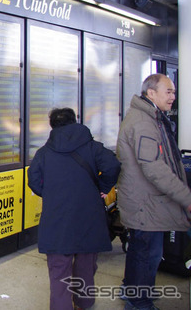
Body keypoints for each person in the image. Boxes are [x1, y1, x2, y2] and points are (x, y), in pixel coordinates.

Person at [29, 107, 120, 310]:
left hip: (57, 218)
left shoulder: (44, 153)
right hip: (89, 216)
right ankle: (84, 303)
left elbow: (33, 180)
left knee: (59, 269)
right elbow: (113, 165)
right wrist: (104, 188)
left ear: (52, 125)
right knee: (86, 263)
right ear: (74, 121)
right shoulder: (93, 147)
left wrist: (51, 194)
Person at [116, 73, 191, 310]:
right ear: (151, 93)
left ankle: (133, 289)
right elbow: (154, 168)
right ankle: (139, 302)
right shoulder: (143, 122)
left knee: (142, 248)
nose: (173, 97)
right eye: (168, 91)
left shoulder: (151, 117)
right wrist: (187, 198)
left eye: (174, 92)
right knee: (147, 253)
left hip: (146, 201)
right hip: (145, 202)